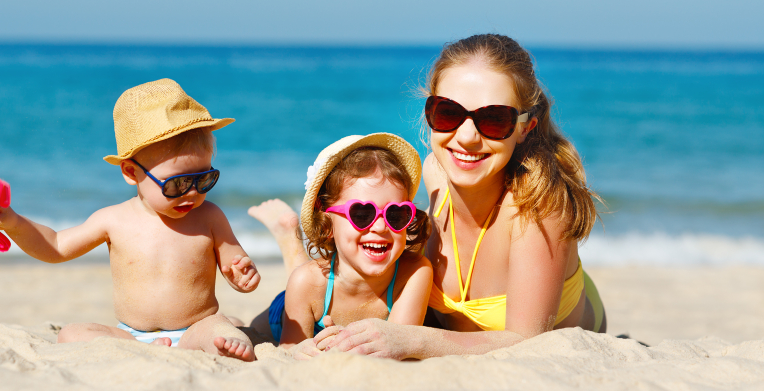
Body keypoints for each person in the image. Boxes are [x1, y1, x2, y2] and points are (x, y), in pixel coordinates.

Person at [259, 34, 605, 359]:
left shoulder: (538, 206)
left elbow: (528, 342)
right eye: (449, 114)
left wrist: (410, 339)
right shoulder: (436, 173)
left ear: (524, 128)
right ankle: (292, 244)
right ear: (430, 115)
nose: (467, 137)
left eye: (494, 119)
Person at [0, 79, 259, 361]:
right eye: (177, 184)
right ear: (130, 172)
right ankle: (146, 349)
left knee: (219, 327)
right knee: (70, 334)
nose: (193, 192)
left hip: (194, 328)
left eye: (205, 179)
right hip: (131, 335)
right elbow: (56, 246)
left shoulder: (210, 216)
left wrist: (241, 274)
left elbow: (233, 264)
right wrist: (12, 222)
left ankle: (221, 341)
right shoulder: (113, 220)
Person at [248, 134, 433, 359]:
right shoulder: (305, 283)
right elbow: (289, 349)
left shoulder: (415, 273)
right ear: (328, 224)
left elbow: (399, 345)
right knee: (250, 327)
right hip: (287, 311)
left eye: (396, 214)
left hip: (315, 287)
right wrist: (299, 350)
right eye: (362, 214)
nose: (381, 226)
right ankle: (288, 235)